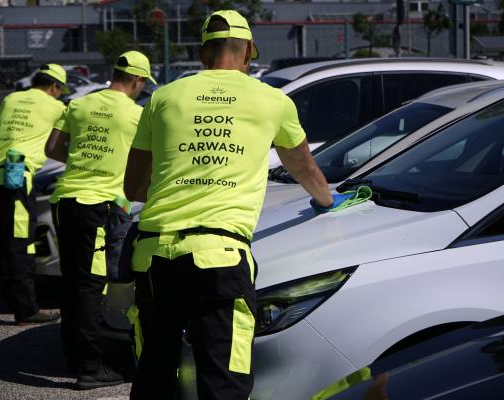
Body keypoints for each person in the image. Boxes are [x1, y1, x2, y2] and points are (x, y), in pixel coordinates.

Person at [124, 10, 350, 399]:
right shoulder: (272, 100)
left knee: (155, 373)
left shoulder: (162, 97)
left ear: (201, 54)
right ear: (248, 52)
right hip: (220, 258)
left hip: (154, 254)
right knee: (222, 379)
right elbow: (304, 167)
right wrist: (329, 201)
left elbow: (134, 186)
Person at [44, 50, 153, 390]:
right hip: (100, 207)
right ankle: (90, 367)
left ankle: (71, 349)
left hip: (66, 201)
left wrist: (82, 162)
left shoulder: (79, 104)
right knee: (93, 286)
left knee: (73, 280)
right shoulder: (135, 115)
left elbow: (52, 148)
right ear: (136, 81)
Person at [0, 64, 68, 326]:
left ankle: (13, 298)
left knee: (6, 242)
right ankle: (27, 310)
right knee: (22, 244)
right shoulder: (57, 108)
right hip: (18, 178)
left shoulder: (10, 98)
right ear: (54, 87)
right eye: (60, 91)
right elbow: (63, 144)